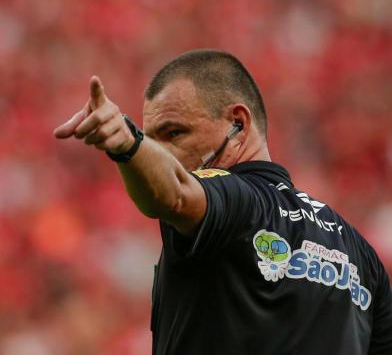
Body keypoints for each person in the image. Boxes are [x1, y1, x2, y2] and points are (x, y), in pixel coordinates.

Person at [54, 50, 392, 355]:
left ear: (238, 124)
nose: (158, 153)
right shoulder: (359, 252)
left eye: (174, 134)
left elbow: (173, 196)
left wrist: (129, 145)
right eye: (150, 139)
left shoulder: (236, 199)